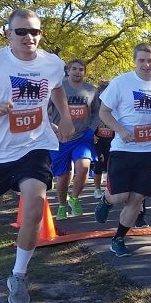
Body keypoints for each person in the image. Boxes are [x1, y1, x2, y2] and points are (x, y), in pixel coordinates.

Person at [0, 8, 74, 303]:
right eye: (21, 31)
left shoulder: (52, 63)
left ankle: (18, 275)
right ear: (8, 34)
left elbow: (58, 88)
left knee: (34, 207)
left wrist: (66, 117)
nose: (28, 37)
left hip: (34, 146)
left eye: (34, 31)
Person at [93, 43, 151, 256]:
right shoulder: (121, 82)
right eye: (142, 60)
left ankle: (119, 238)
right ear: (134, 60)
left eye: (150, 60)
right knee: (119, 196)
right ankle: (106, 200)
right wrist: (120, 130)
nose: (146, 65)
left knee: (137, 198)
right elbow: (104, 112)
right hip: (124, 148)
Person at [48, 59, 100, 220]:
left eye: (81, 69)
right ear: (68, 71)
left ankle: (75, 198)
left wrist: (91, 130)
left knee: (83, 168)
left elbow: (97, 112)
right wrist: (50, 125)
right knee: (63, 176)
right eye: (74, 69)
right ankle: (62, 205)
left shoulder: (91, 90)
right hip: (61, 138)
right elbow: (43, 108)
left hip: (82, 137)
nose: (78, 72)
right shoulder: (57, 88)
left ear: (85, 72)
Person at [92, 78, 112, 199]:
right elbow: (89, 121)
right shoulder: (95, 108)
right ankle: (97, 188)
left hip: (111, 139)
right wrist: (92, 134)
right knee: (98, 162)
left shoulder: (115, 106)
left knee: (111, 163)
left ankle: (109, 187)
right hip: (98, 139)